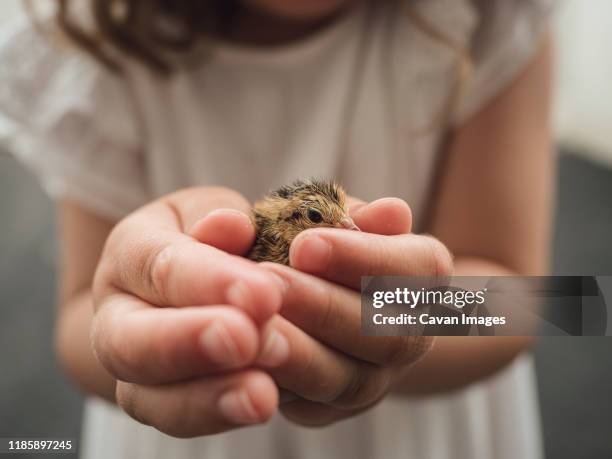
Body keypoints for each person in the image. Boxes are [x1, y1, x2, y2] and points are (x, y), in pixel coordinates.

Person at [0, 0, 554, 458]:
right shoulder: (94, 50)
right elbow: (78, 328)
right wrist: (140, 315)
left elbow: (539, 307)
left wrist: (395, 316)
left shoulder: (492, 16)